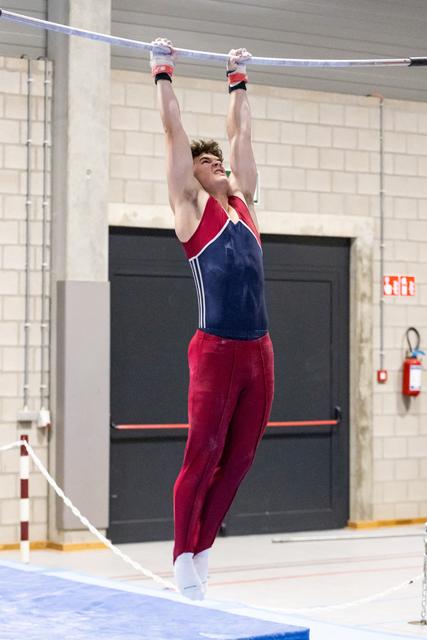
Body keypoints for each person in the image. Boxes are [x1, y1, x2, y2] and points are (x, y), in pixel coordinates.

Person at [151, 38, 275, 600]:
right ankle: (182, 559)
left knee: (242, 457)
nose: (218, 164)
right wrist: (163, 72)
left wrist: (238, 78)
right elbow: (175, 134)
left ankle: (203, 549)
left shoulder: (246, 202)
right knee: (201, 456)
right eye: (207, 163)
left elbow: (241, 133)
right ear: (194, 177)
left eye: (217, 160)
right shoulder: (190, 212)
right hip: (215, 349)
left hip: (259, 350)